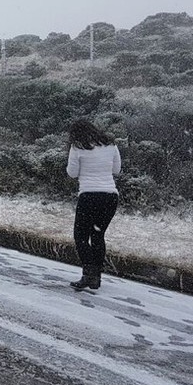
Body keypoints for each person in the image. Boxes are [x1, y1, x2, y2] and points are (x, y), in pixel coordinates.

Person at [66, 118, 121, 291]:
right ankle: (96, 278)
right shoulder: (111, 145)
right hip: (110, 197)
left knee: (81, 236)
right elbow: (116, 170)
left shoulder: (77, 147)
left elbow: (72, 173)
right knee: (98, 236)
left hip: (89, 196)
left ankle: (87, 274)